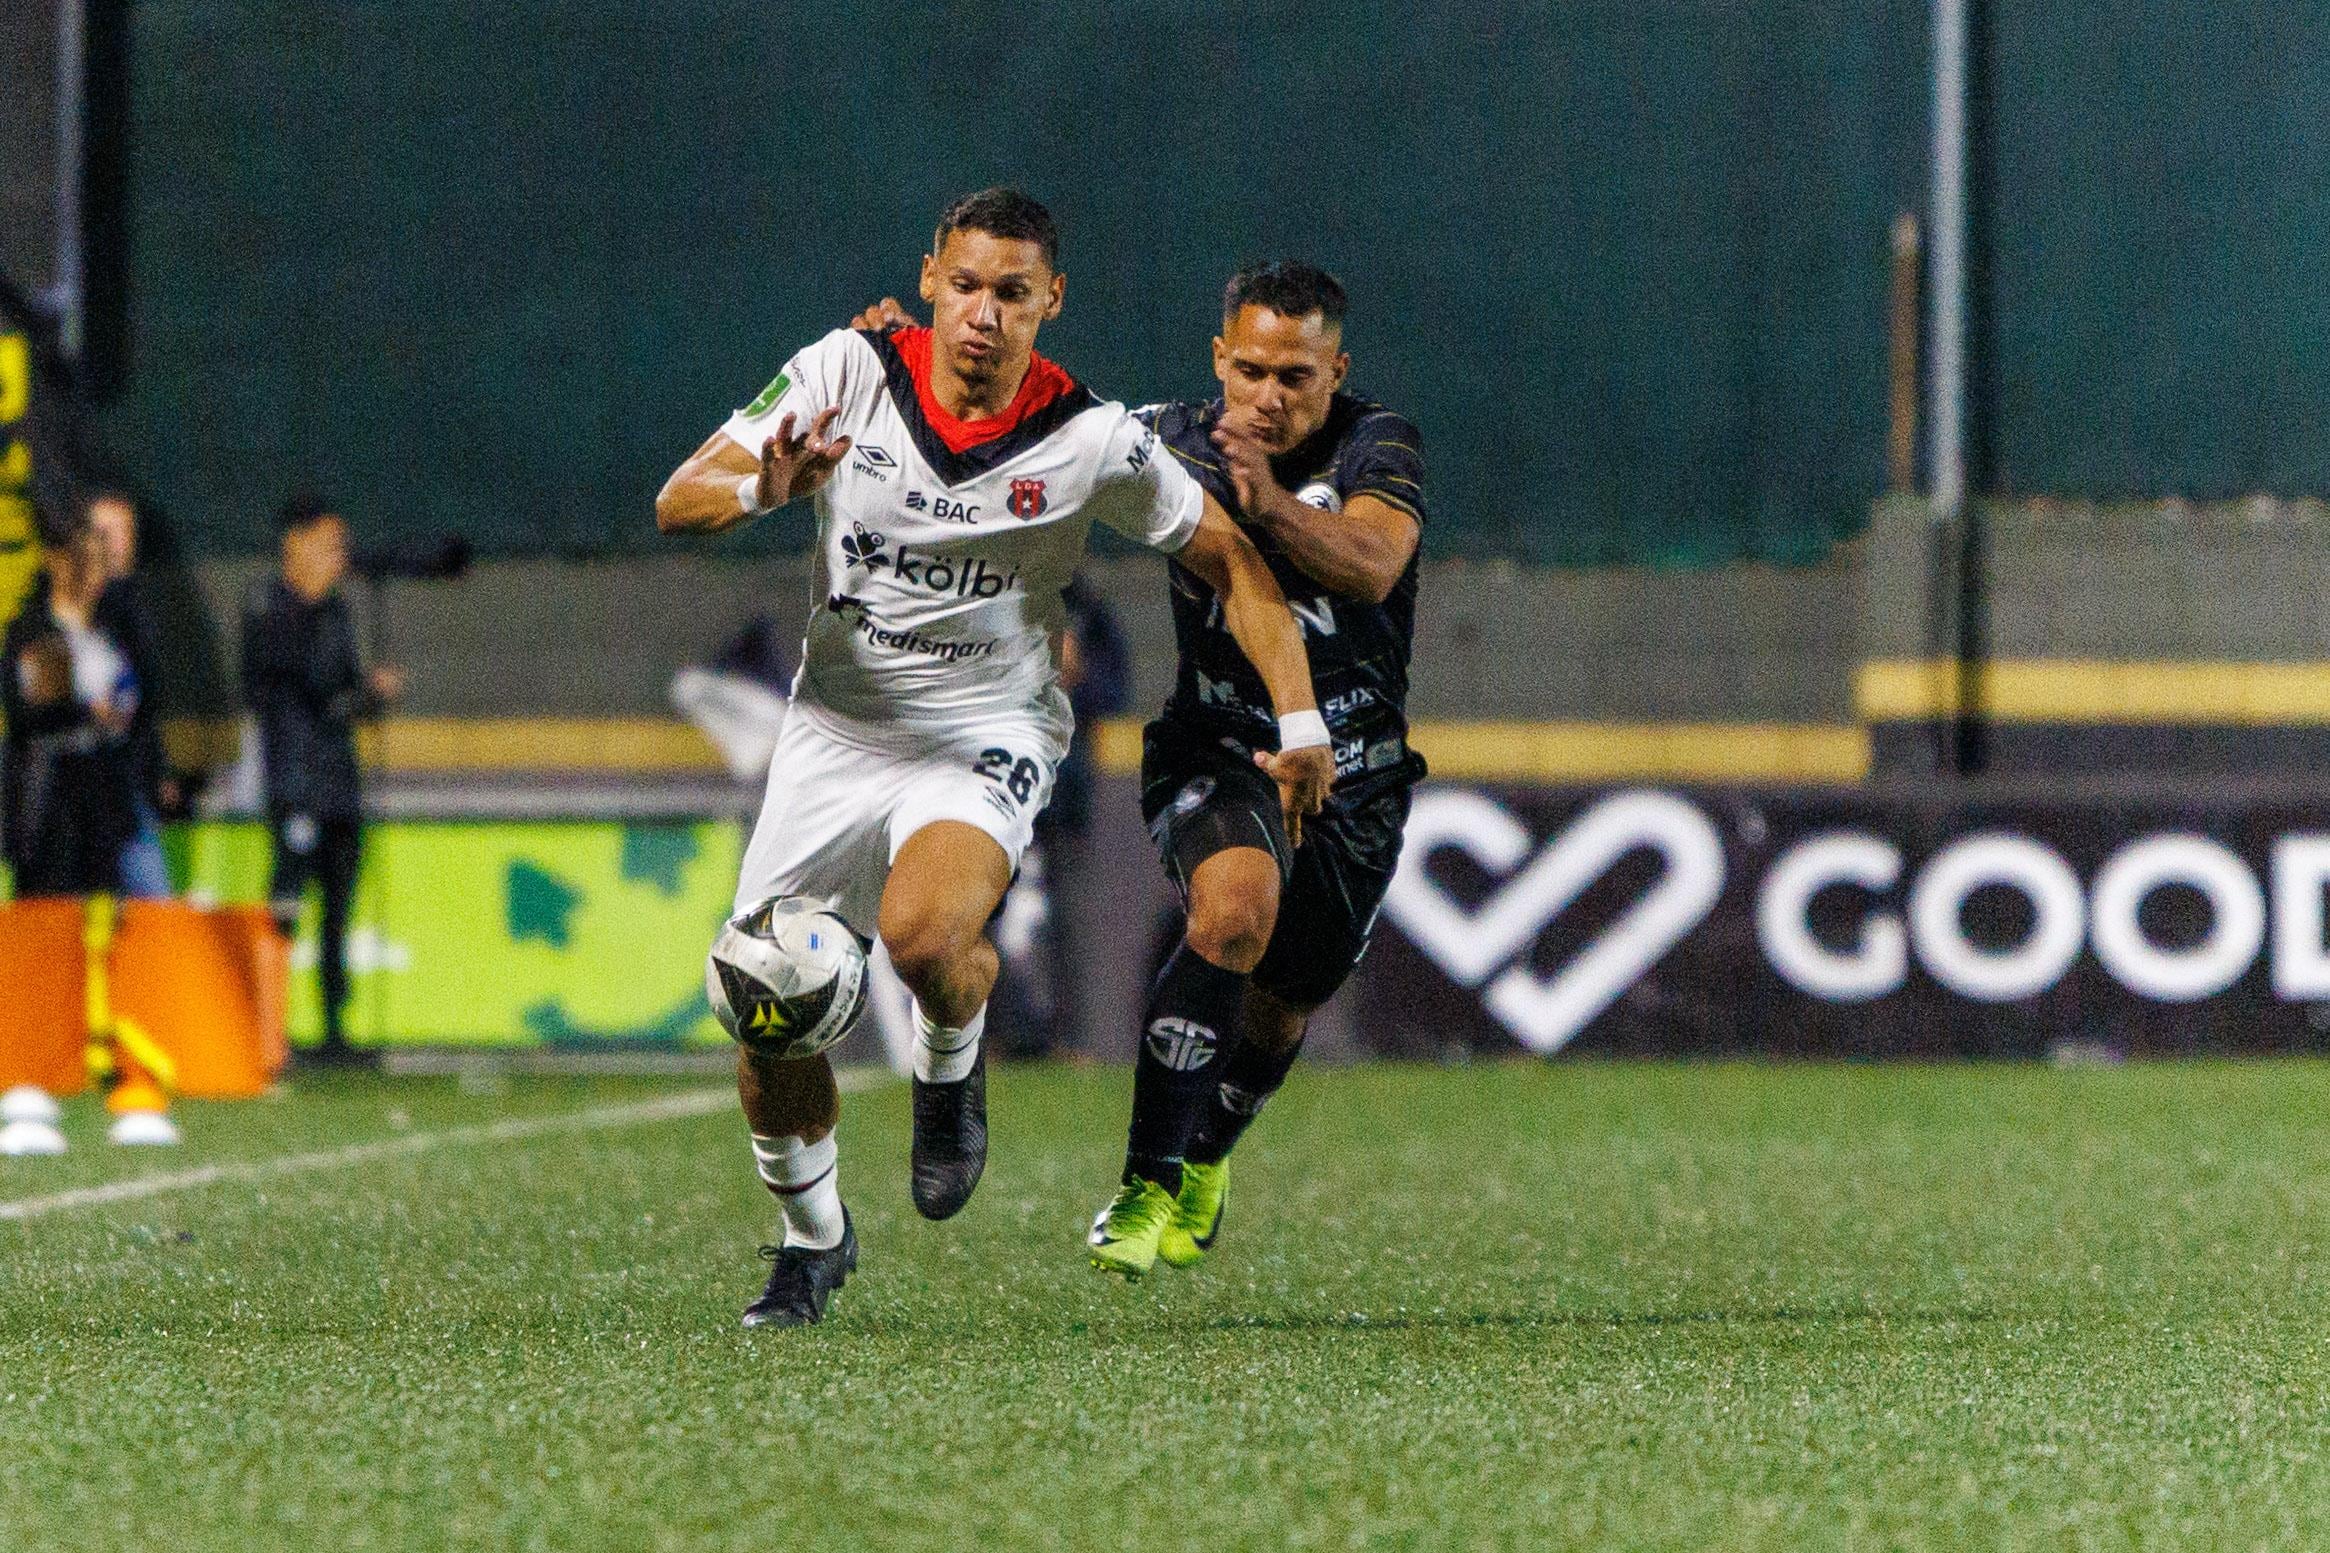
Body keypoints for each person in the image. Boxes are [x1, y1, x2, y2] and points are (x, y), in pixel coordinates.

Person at [654, 188, 1333, 1328]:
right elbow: (680, 500)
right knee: (764, 1004)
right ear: (930, 279)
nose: (983, 313)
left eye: (1011, 293)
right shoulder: (845, 371)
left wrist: (1301, 723)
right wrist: (767, 485)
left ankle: (948, 1059)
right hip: (833, 732)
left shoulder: (1088, 438)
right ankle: (812, 1241)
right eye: (965, 285)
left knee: (925, 937)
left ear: (1049, 301)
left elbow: (1232, 559)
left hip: (985, 733)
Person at [1090, 262, 1428, 1276]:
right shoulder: (1167, 438)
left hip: (1355, 774)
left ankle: (1208, 1153)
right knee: (1234, 913)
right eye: (1249, 371)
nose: (1268, 396)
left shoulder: (1379, 443)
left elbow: (1372, 564)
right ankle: (1147, 1181)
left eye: (1294, 376)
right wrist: (903, 356)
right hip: (1220, 745)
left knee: (1285, 1001)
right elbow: (1032, 431)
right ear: (1217, 360)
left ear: (1337, 372)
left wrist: (1267, 503)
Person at [240, 491, 405, 1067]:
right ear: (296, 543)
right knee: (285, 905)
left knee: (338, 907)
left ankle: (336, 1028)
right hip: (294, 780)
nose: (340, 557)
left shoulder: (337, 612)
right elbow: (294, 683)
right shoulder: (269, 608)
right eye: (329, 545)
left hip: (338, 779)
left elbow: (341, 690)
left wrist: (369, 695)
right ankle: (267, 1031)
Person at [1, 523, 143, 895]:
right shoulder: (31, 631)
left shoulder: (111, 630)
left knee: (108, 904)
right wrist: (86, 712)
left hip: (103, 792)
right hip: (50, 797)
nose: (98, 575)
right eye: (88, 562)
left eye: (102, 563)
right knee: (50, 908)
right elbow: (24, 713)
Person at [85, 490, 175, 897]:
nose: (118, 544)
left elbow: (146, 700)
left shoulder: (136, 607)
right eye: (106, 533)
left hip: (128, 780)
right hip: (86, 785)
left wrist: (158, 769)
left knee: (149, 904)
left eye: (126, 532)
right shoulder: (74, 610)